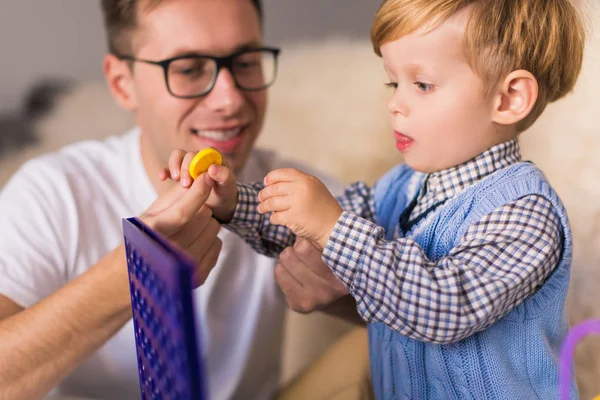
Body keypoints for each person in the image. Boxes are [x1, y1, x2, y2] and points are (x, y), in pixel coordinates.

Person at [166, 0, 587, 398]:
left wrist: (332, 226)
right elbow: (311, 235)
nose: (394, 104)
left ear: (509, 98)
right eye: (393, 81)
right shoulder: (400, 186)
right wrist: (233, 202)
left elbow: (446, 306)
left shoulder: (524, 211)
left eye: (422, 84)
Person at [0, 0, 365, 399]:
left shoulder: (297, 195)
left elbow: (423, 308)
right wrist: (134, 275)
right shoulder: (55, 192)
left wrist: (343, 298)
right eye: (189, 70)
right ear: (124, 83)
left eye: (245, 63)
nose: (229, 100)